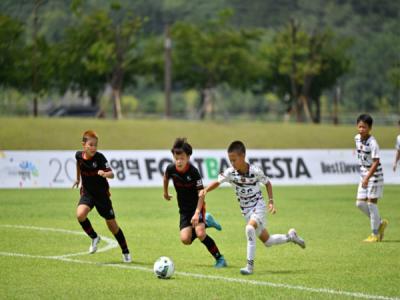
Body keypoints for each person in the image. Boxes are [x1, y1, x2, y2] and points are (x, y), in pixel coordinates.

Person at [200, 141, 305, 275]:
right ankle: (291, 237)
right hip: (246, 212)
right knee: (268, 241)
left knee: (249, 229)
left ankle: (249, 267)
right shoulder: (230, 172)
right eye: (230, 160)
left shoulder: (255, 171)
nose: (232, 163)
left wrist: (271, 201)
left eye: (234, 160)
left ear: (243, 156)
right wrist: (206, 190)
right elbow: (217, 182)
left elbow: (268, 183)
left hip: (258, 206)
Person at [163, 138, 227, 268]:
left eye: (182, 158)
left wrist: (197, 212)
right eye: (176, 158)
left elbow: (201, 193)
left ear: (188, 157)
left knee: (200, 233)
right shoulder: (170, 169)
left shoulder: (193, 172)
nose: (179, 161)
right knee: (185, 240)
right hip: (184, 210)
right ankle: (207, 222)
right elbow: (166, 177)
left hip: (198, 205)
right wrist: (165, 192)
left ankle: (220, 259)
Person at [73, 130, 131, 263]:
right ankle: (94, 237)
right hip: (87, 193)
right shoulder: (78, 156)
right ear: (84, 145)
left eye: (95, 145)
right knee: (80, 215)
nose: (93, 148)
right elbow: (78, 163)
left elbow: (112, 174)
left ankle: (125, 251)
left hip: (102, 196)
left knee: (112, 226)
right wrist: (77, 179)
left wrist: (105, 174)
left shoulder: (100, 158)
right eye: (91, 145)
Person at [354, 114, 388, 242]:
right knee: (359, 204)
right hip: (363, 176)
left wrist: (367, 177)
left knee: (371, 204)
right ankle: (380, 224)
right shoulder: (357, 138)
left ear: (370, 128)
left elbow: (376, 162)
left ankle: (375, 234)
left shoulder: (373, 143)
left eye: (365, 127)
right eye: (360, 126)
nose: (362, 129)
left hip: (374, 176)